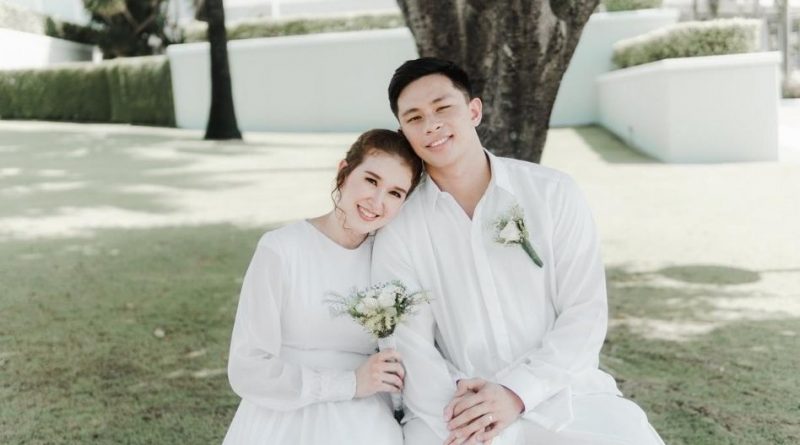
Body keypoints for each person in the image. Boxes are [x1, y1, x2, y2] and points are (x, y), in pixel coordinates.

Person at [372, 58, 664, 445]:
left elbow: (585, 313)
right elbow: (411, 344)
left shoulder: (553, 193)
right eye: (415, 118)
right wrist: (467, 414)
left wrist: (516, 392)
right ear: (404, 132)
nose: (431, 125)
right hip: (454, 406)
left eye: (443, 108)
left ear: (474, 111)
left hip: (562, 392)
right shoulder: (399, 227)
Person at [222, 129, 423, 445]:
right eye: (371, 181)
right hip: (281, 417)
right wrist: (349, 384)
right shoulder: (281, 248)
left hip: (364, 422)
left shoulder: (390, 262)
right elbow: (247, 368)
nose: (377, 202)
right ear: (344, 173)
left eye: (395, 193)